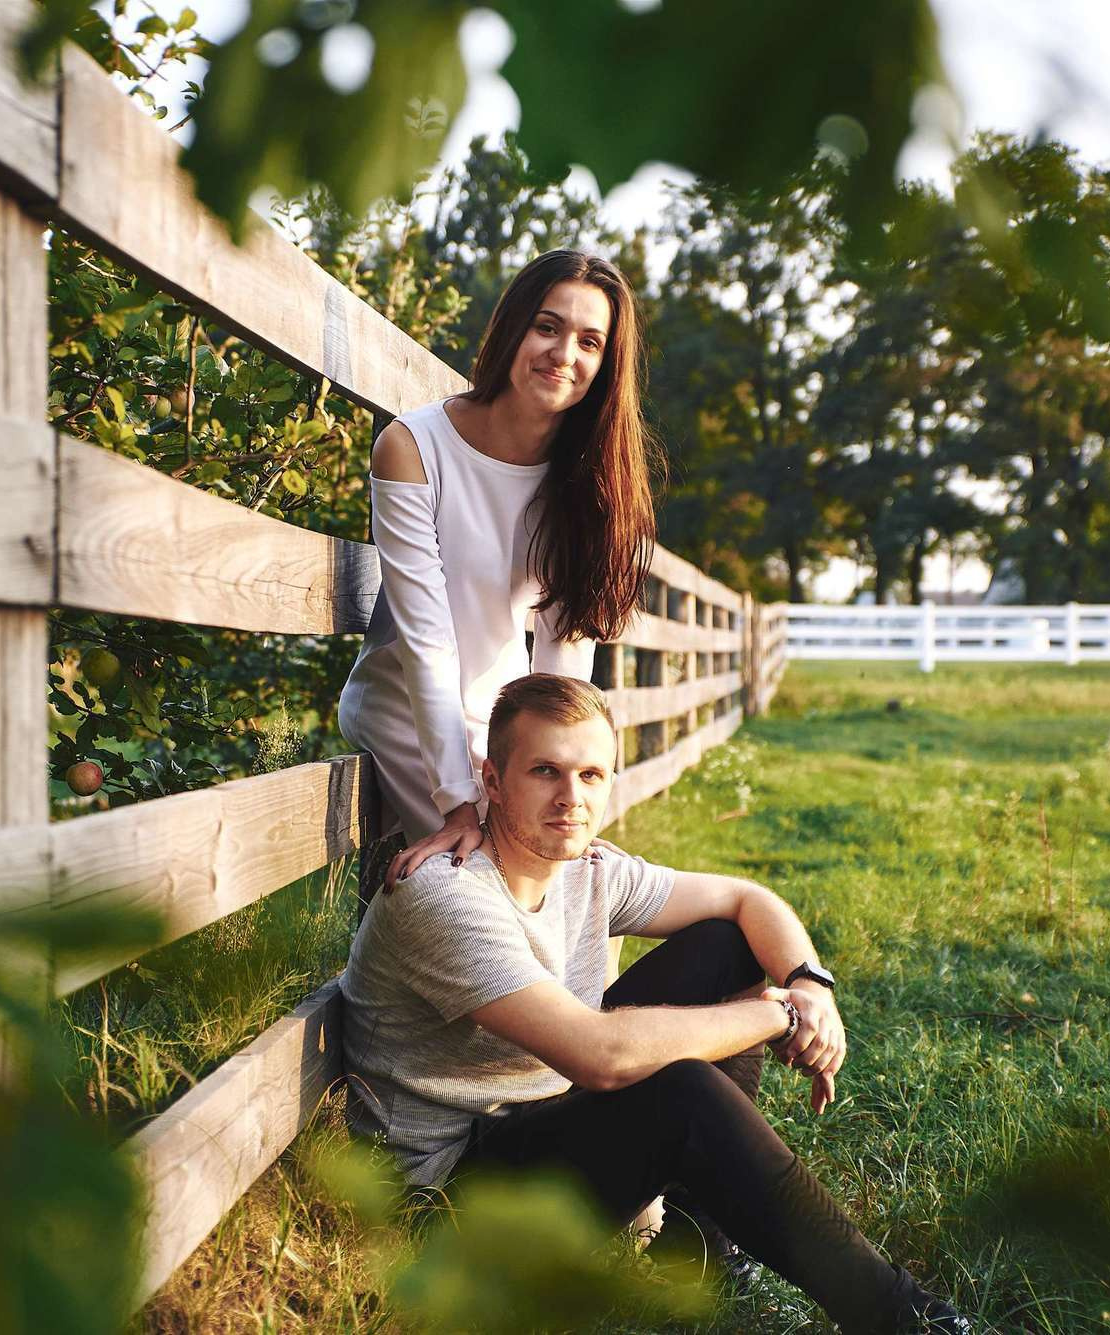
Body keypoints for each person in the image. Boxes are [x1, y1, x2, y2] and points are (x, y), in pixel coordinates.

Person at [339, 675, 973, 1335]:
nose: (571, 798)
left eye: (590, 774)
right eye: (545, 771)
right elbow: (601, 1056)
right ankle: (905, 1319)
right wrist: (779, 1013)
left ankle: (699, 1245)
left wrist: (810, 982)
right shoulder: (446, 897)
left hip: (534, 1118)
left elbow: (747, 899)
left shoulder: (589, 869)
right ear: (493, 782)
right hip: (446, 1209)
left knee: (730, 944)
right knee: (683, 1093)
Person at [336, 248, 660, 881]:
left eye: (590, 341)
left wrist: (567, 772)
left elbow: (568, 652)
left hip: (510, 723)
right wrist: (458, 803)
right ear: (512, 327)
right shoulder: (414, 447)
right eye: (547, 326)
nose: (564, 354)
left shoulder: (592, 478)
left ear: (606, 365)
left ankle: (591, 986)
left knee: (565, 869)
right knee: (489, 876)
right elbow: (425, 640)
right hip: (406, 705)